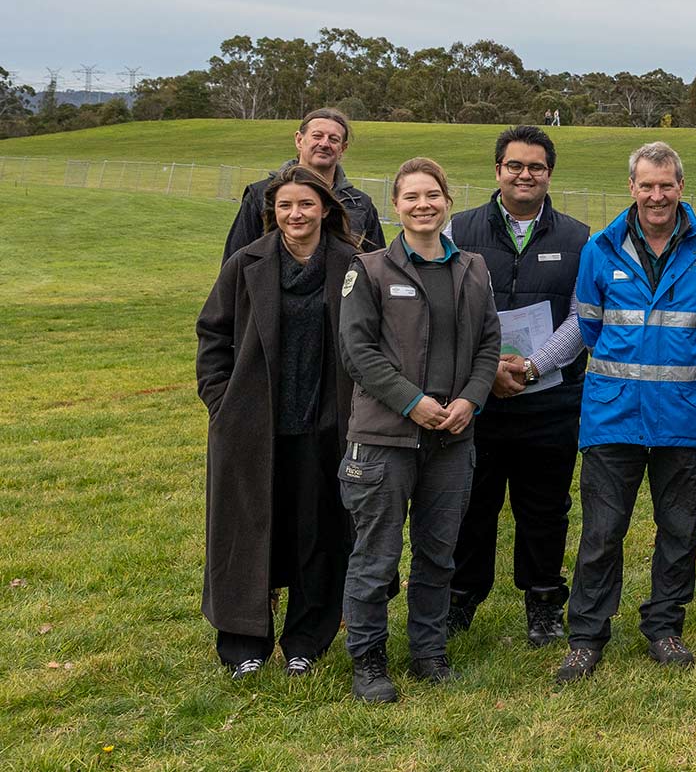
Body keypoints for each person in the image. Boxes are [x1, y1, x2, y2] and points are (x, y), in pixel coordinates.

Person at [552, 142, 696, 685]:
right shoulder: (601, 249)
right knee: (601, 533)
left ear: (681, 188)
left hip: (687, 416)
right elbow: (589, 327)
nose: (656, 195)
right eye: (646, 185)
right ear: (632, 188)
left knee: (679, 530)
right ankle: (586, 638)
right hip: (614, 417)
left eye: (666, 185)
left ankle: (664, 625)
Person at [336, 157, 500, 703]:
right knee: (376, 556)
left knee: (438, 553)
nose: (423, 205)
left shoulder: (473, 267)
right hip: (385, 439)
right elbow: (357, 352)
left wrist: (471, 401)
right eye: (411, 197)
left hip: (452, 439)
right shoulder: (370, 268)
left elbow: (488, 345)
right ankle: (368, 659)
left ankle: (428, 652)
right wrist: (414, 403)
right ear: (396, 205)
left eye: (432, 195)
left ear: (447, 201)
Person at [195, 165, 363, 679]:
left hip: (326, 424)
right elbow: (212, 335)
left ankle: (306, 641)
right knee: (247, 532)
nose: (296, 214)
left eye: (306, 204)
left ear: (326, 210)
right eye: (286, 205)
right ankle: (243, 642)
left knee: (320, 532)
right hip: (252, 427)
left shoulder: (355, 265)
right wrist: (221, 402)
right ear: (273, 213)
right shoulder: (245, 264)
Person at [446, 126, 591, 647]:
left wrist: (529, 367)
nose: (524, 175)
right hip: (475, 400)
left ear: (549, 174)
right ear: (498, 171)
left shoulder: (579, 237)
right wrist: (488, 374)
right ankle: (460, 599)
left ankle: (544, 601)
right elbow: (444, 310)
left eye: (535, 167)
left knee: (545, 507)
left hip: (549, 399)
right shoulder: (459, 231)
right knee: (470, 503)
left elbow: (582, 318)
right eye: (514, 166)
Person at [224, 108, 386, 260]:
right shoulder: (261, 194)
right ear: (299, 140)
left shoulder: (359, 204)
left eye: (333, 139)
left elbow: (376, 268)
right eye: (317, 136)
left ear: (343, 148)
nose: (324, 144)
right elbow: (235, 264)